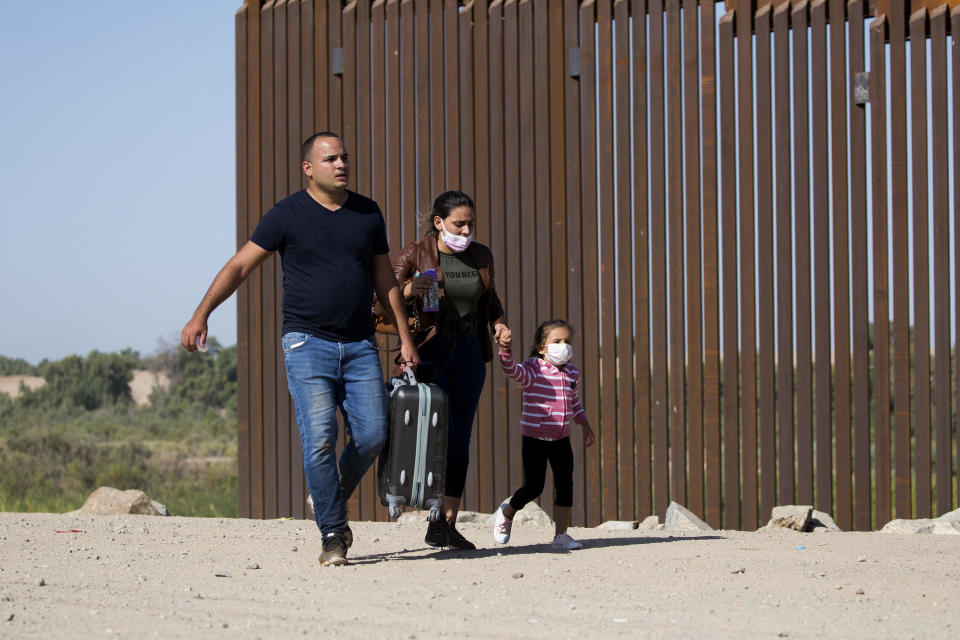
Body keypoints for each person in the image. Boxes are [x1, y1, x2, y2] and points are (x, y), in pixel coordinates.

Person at [181, 132, 419, 566]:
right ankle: (332, 534)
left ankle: (327, 496)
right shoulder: (286, 214)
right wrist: (202, 313)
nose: (341, 164)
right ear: (308, 168)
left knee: (372, 434)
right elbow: (239, 265)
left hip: (361, 343)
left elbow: (385, 280)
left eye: (345, 156)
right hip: (307, 343)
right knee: (320, 440)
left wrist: (405, 338)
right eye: (330, 159)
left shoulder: (367, 213)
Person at [391, 190, 507, 549]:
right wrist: (410, 287)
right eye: (459, 223)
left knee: (460, 440)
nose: (467, 229)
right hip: (432, 352)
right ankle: (425, 506)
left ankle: (445, 523)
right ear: (439, 222)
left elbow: (490, 302)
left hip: (470, 354)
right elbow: (382, 297)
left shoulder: (481, 256)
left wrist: (500, 325)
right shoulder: (416, 253)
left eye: (471, 223)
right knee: (440, 432)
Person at [491, 319, 595, 550]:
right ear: (541, 347)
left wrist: (584, 424)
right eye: (556, 341)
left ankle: (561, 535)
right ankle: (507, 512)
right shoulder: (533, 369)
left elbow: (574, 402)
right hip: (534, 439)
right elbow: (513, 371)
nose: (564, 346)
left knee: (565, 484)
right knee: (534, 487)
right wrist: (505, 351)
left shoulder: (572, 374)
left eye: (568, 342)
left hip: (561, 439)